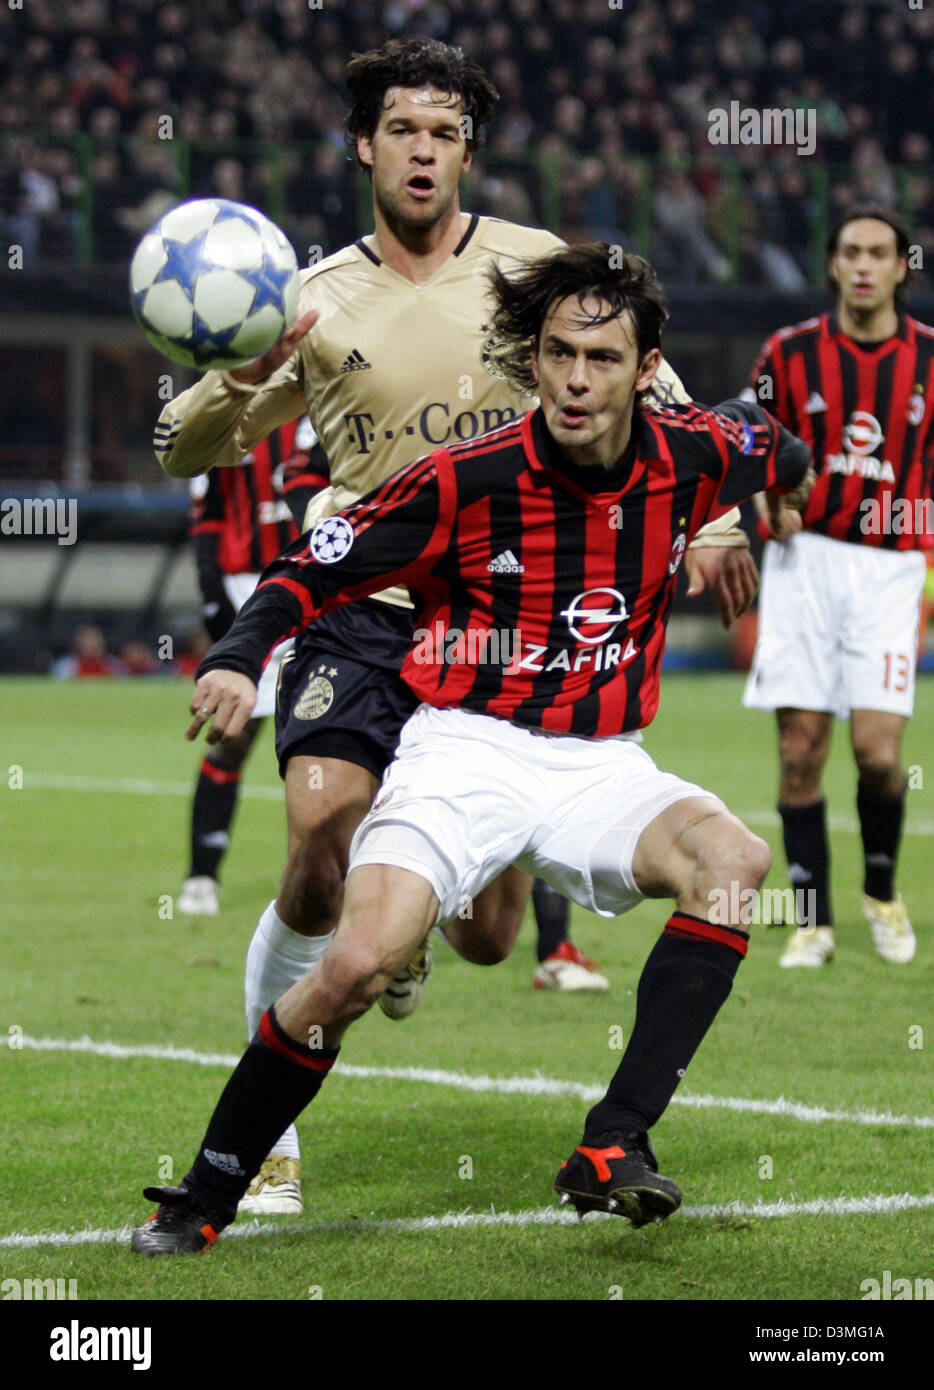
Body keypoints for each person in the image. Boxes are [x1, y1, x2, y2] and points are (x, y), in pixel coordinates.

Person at [151, 37, 758, 1215]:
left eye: (445, 132)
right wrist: (237, 378)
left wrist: (717, 520)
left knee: (487, 938)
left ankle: (442, 901)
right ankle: (266, 1154)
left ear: (466, 151)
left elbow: (663, 390)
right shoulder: (309, 298)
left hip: (504, 628)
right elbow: (185, 448)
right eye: (402, 130)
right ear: (362, 145)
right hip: (364, 605)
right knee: (322, 843)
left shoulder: (537, 267)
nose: (423, 150)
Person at [741, 205, 934, 969]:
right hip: (806, 561)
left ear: (899, 268)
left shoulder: (929, 358)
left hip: (891, 568)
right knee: (800, 750)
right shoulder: (786, 352)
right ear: (832, 265)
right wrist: (767, 505)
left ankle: (882, 895)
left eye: (877, 253)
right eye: (849, 252)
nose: (862, 265)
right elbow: (746, 444)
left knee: (880, 754)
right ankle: (812, 920)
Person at [178, 417, 329, 916]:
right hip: (247, 589)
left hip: (320, 585)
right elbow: (207, 517)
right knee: (231, 737)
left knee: (336, 743)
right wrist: (213, 600)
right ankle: (202, 876)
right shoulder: (227, 413)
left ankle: (349, 880)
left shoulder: (329, 405)